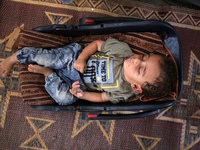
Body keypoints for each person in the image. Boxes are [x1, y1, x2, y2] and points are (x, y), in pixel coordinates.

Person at [0, 38, 177, 105]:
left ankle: (48, 74)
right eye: (144, 57)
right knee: (50, 58)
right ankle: (14, 58)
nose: (137, 59)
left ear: (136, 87)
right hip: (73, 58)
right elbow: (97, 44)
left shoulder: (123, 91)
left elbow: (101, 97)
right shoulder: (123, 52)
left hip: (76, 83)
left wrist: (80, 94)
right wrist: (82, 58)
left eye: (140, 69)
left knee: (65, 99)